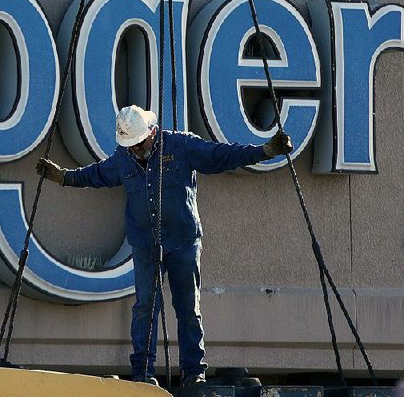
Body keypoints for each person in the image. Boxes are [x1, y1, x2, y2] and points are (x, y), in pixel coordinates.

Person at [36, 105, 292, 386]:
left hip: (182, 241)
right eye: (130, 146)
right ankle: (142, 373)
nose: (134, 150)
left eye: (138, 144)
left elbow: (222, 155)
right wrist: (63, 178)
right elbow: (96, 175)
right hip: (146, 244)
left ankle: (194, 373)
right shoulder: (124, 157)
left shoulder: (181, 145)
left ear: (152, 132)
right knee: (145, 307)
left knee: (187, 308)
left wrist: (264, 151)